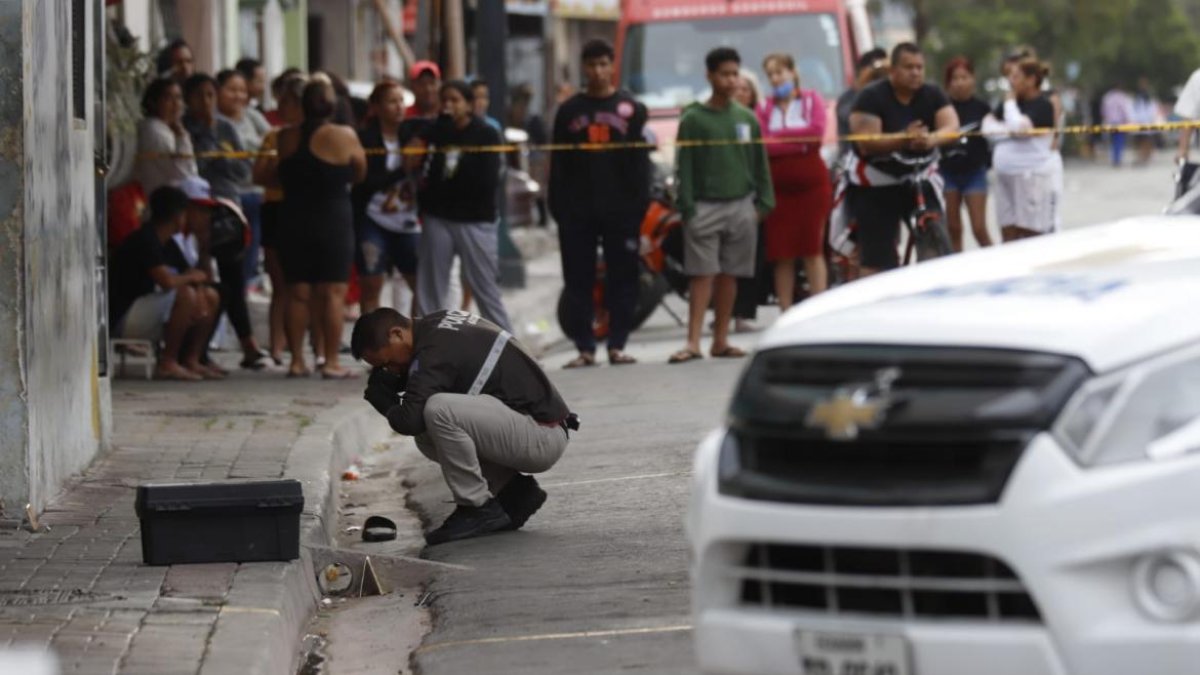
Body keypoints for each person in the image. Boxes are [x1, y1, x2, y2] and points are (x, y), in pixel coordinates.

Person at [352, 307, 575, 545]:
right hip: (530, 424)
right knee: (427, 434)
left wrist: (386, 403)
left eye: (386, 363)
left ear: (396, 334)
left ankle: (476, 506)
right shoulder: (436, 325)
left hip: (541, 433)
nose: (390, 370)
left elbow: (409, 420)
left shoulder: (434, 351)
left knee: (438, 410)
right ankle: (513, 491)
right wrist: (402, 380)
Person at [550, 39, 651, 369]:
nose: (597, 71)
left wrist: (639, 206)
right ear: (584, 68)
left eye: (603, 64)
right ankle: (585, 347)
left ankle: (618, 344)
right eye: (591, 65)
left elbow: (640, 163)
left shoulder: (631, 108)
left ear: (612, 66)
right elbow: (559, 165)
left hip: (621, 210)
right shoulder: (569, 111)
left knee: (624, 275)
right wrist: (559, 209)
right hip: (577, 211)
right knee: (578, 278)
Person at [669, 47, 774, 365]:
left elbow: (759, 163)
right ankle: (692, 341)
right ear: (710, 76)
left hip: (741, 205)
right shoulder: (693, 119)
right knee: (702, 275)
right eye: (725, 74)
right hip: (703, 207)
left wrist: (765, 201)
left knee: (731, 274)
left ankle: (720, 339)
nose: (731, 81)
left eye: (735, 74)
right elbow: (683, 165)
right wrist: (687, 206)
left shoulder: (746, 118)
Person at [277, 80, 367, 378]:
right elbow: (360, 170)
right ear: (332, 105)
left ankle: (297, 361)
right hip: (332, 218)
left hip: (293, 218)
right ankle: (330, 360)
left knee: (298, 291)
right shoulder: (344, 136)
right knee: (333, 292)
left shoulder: (286, 137)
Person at [407, 80, 513, 333]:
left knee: (484, 287)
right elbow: (413, 157)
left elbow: (487, 181)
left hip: (475, 219)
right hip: (438, 216)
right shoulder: (436, 130)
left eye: (455, 100)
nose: (449, 105)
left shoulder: (485, 133)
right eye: (445, 100)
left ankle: (509, 346)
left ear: (468, 104)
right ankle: (427, 345)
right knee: (431, 288)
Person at [848, 42, 959, 276]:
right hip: (877, 180)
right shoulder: (870, 96)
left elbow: (951, 126)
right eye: (909, 67)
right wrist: (903, 139)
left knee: (937, 238)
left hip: (919, 175)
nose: (916, 72)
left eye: (920, 67)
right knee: (878, 258)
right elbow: (867, 142)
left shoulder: (933, 93)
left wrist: (931, 139)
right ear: (893, 71)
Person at [108, 185, 221, 381]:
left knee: (210, 296)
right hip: (124, 315)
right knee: (185, 295)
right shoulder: (145, 239)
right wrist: (191, 281)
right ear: (179, 217)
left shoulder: (168, 243)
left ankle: (191, 359)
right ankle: (167, 362)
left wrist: (201, 289)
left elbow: (196, 275)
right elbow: (167, 281)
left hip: (146, 310)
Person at [757, 52, 832, 308]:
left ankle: (818, 307)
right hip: (779, 188)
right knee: (782, 253)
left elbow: (815, 134)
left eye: (780, 72)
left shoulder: (811, 100)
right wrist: (796, 143)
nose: (776, 79)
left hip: (811, 186)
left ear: (792, 72)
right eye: (771, 75)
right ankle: (786, 310)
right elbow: (763, 144)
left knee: (812, 248)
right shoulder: (765, 107)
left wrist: (781, 139)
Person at [353, 80, 422, 315]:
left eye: (402, 100)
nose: (399, 107)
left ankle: (414, 340)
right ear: (376, 107)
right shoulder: (365, 139)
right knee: (371, 286)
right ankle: (371, 344)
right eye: (392, 101)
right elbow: (365, 182)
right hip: (372, 219)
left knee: (420, 284)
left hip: (407, 221)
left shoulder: (412, 133)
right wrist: (402, 169)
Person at [255, 73, 307, 366]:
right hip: (275, 209)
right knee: (280, 286)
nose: (282, 107)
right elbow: (258, 175)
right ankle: (277, 346)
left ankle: (306, 347)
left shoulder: (317, 137)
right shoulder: (273, 136)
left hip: (303, 212)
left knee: (304, 287)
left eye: (289, 102)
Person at [982, 58, 1059, 242]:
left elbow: (1021, 129)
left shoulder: (1042, 105)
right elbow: (987, 127)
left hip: (1031, 178)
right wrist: (1010, 130)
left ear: (1031, 80)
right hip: (1005, 178)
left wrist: (1009, 108)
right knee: (1008, 231)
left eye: (1016, 76)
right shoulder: (1012, 104)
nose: (1011, 81)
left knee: (1031, 233)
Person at [216, 68, 272, 286]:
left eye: (242, 90)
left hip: (255, 193)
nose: (238, 95)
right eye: (231, 90)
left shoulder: (253, 116)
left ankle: (245, 285)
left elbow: (272, 141)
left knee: (253, 245)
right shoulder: (214, 121)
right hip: (226, 195)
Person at [939, 56, 992, 251]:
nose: (960, 83)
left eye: (964, 77)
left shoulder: (982, 108)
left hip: (974, 173)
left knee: (979, 228)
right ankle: (955, 267)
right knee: (953, 227)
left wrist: (986, 163)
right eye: (955, 78)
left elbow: (992, 139)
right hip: (947, 173)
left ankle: (997, 264)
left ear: (973, 79)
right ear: (948, 83)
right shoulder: (942, 108)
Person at [730, 68, 768, 333]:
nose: (740, 93)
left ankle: (743, 312)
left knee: (749, 258)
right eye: (737, 88)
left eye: (746, 89)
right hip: (724, 195)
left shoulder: (758, 120)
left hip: (752, 196)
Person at [183, 73, 252, 202]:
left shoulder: (225, 127)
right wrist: (209, 132)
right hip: (197, 197)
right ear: (187, 99)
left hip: (228, 195)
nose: (205, 101)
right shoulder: (183, 128)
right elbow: (197, 166)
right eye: (198, 96)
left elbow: (245, 170)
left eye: (210, 95)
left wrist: (222, 159)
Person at [136, 78, 199, 196]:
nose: (176, 104)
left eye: (179, 97)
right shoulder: (153, 130)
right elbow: (182, 172)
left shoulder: (169, 128)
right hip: (165, 202)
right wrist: (181, 136)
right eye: (168, 98)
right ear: (153, 102)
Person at [836, 48, 888, 156]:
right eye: (877, 74)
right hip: (852, 162)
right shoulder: (848, 99)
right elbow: (854, 117)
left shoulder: (887, 96)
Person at [1101, 83, 1135, 167]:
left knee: (1113, 142)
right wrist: (1128, 121)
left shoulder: (1107, 97)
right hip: (1119, 122)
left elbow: (1103, 111)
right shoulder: (1121, 97)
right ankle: (1117, 160)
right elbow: (1124, 110)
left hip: (1110, 122)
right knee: (1119, 142)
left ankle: (1114, 159)